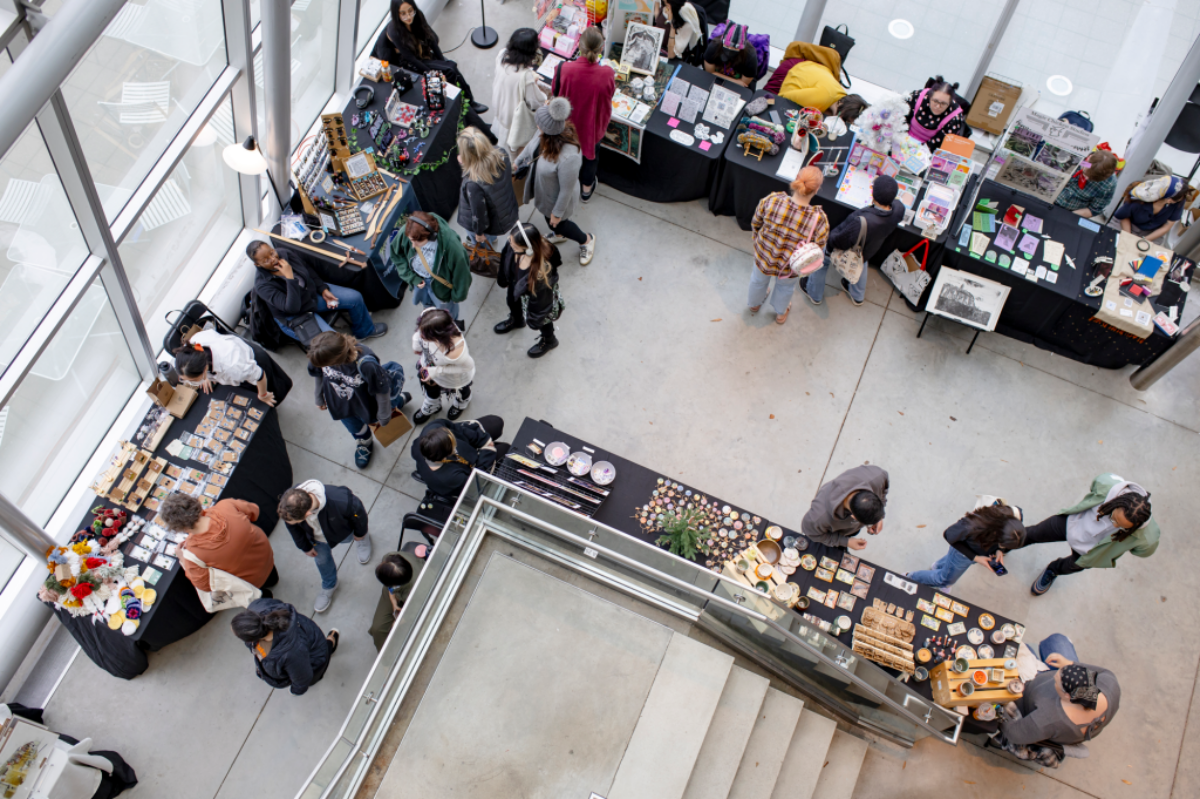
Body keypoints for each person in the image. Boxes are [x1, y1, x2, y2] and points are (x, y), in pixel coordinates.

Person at [1020, 474, 1157, 596]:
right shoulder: (1107, 485)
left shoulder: (1147, 538)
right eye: (1114, 519)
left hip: (1090, 552)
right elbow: (1096, 483)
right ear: (1115, 503)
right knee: (1031, 534)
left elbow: (1143, 551)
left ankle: (1052, 571)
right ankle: (1005, 544)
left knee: (1068, 567)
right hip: (1072, 523)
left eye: (1121, 527)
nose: (1115, 526)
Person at [249, 240, 387, 344]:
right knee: (333, 344)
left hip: (310, 297)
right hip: (297, 315)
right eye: (266, 260)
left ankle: (365, 331)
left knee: (354, 298)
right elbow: (292, 308)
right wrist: (289, 277)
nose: (273, 259)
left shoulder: (284, 253)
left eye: (272, 253)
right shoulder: (262, 285)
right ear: (257, 265)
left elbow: (307, 270)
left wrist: (322, 289)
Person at [307, 331, 410, 469]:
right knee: (354, 427)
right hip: (341, 403)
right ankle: (364, 443)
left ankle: (396, 402)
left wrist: (384, 414)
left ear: (337, 360)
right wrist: (318, 396)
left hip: (366, 403)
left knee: (378, 417)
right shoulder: (321, 355)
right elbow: (318, 373)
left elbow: (381, 388)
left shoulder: (366, 363)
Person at [514, 97, 597, 264]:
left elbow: (566, 189)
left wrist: (557, 213)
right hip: (545, 192)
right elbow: (532, 146)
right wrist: (518, 162)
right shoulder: (544, 132)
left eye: (539, 124)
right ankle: (558, 235)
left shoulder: (569, 156)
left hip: (557, 200)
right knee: (551, 222)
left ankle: (586, 240)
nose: (537, 127)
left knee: (559, 224)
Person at [998, 633, 1119, 748]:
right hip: (1044, 686)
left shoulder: (1049, 719)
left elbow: (1014, 734)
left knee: (1007, 651)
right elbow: (1103, 672)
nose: (1055, 674)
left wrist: (998, 709)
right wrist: (1068, 663)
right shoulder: (1110, 685)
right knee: (1056, 640)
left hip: (1026, 693)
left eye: (1056, 681)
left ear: (1067, 696)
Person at [800, 174, 903, 307]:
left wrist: (829, 244)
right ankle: (857, 295)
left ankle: (813, 293)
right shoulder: (898, 209)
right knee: (862, 262)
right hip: (869, 248)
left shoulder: (862, 222)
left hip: (851, 245)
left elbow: (841, 240)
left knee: (821, 262)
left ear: (874, 194)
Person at [371, 0, 487, 115]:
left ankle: (469, 102)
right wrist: (434, 73)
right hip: (404, 61)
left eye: (410, 11)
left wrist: (442, 61)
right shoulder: (394, 31)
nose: (408, 16)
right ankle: (467, 104)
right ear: (397, 14)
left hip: (417, 52)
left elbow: (430, 38)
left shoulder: (418, 15)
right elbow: (410, 58)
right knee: (448, 71)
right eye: (403, 13)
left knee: (450, 67)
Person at [749, 166, 829, 324]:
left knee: (758, 281)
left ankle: (754, 304)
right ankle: (780, 313)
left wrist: (758, 240)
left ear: (797, 178)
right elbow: (819, 246)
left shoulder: (773, 200)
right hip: (791, 266)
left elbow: (756, 222)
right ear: (817, 189)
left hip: (764, 255)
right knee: (785, 288)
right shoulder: (819, 220)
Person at [279, 481, 372, 614]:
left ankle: (363, 539)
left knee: (351, 537)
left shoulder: (341, 500)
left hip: (342, 531)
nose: (291, 524)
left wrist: (360, 533)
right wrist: (304, 546)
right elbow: (291, 525)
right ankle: (330, 584)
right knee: (321, 561)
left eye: (296, 522)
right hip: (317, 540)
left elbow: (358, 515)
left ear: (307, 515)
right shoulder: (289, 504)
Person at [159, 494, 278, 597]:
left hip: (248, 581)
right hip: (264, 553)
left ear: (180, 528)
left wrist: (183, 560)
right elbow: (254, 511)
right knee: (270, 573)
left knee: (258, 592)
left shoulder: (193, 553)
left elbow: (204, 585)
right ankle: (274, 579)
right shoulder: (225, 505)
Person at [552, 27, 615, 204]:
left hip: (566, 125)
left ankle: (563, 184)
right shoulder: (607, 74)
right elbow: (609, 94)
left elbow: (554, 93)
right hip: (592, 127)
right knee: (591, 156)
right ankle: (586, 189)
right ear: (601, 49)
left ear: (579, 46)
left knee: (564, 154)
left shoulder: (563, 68)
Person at [908, 500, 1026, 590]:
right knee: (945, 580)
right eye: (1001, 544)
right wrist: (976, 558)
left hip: (978, 551)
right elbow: (948, 535)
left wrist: (999, 550)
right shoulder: (971, 526)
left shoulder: (1016, 514)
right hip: (963, 553)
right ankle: (910, 577)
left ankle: (938, 567)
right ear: (997, 533)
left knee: (948, 564)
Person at [231, 598, 339, 696]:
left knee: (323, 655)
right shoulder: (257, 607)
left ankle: (331, 641)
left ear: (252, 638)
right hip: (308, 637)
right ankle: (330, 640)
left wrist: (295, 690)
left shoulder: (290, 653)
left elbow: (303, 678)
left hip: (314, 657)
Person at [388, 211, 472, 323]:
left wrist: (457, 296)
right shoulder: (409, 231)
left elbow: (462, 275)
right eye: (411, 240)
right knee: (427, 306)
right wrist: (412, 278)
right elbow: (396, 255)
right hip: (420, 282)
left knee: (447, 314)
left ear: (431, 235)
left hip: (442, 286)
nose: (413, 245)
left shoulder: (452, 246)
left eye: (417, 241)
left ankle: (451, 327)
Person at [494, 222, 564, 358]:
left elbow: (541, 305)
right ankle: (517, 320)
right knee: (512, 302)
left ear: (528, 248)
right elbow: (504, 259)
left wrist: (534, 320)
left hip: (535, 296)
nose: (509, 243)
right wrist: (503, 279)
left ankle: (549, 340)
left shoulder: (540, 273)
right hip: (516, 285)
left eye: (514, 244)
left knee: (544, 321)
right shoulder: (512, 245)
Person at [173, 329, 291, 406]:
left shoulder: (233, 366)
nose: (190, 382)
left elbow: (260, 375)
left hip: (253, 361)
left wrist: (263, 395)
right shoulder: (192, 347)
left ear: (204, 368)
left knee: (271, 391)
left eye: (193, 380)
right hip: (234, 350)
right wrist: (205, 377)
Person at [411, 417, 509, 502]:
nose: (456, 447)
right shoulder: (450, 478)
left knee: (496, 423)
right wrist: (488, 450)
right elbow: (478, 480)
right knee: (505, 449)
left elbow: (457, 428)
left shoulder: (433, 428)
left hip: (467, 456)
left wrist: (483, 440)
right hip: (471, 471)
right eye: (453, 447)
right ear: (444, 456)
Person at [457, 126, 520, 248]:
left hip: (484, 225)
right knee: (491, 235)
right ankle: (493, 239)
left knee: (484, 248)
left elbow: (478, 214)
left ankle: (489, 249)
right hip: (502, 212)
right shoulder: (502, 154)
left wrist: (479, 233)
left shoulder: (473, 183)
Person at [800, 464, 888, 550]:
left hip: (850, 528)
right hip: (835, 533)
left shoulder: (877, 476)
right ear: (854, 518)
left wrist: (878, 518)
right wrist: (845, 542)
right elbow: (812, 533)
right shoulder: (818, 517)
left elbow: (884, 487)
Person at [412, 308, 476, 423]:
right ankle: (433, 404)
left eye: (425, 335)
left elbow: (467, 366)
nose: (422, 336)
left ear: (438, 336)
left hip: (453, 376)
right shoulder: (431, 316)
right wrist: (416, 343)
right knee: (428, 385)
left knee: (461, 390)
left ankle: (461, 403)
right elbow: (418, 333)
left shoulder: (455, 350)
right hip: (429, 364)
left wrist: (436, 371)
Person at [490, 28, 546, 156]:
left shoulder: (502, 55)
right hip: (514, 119)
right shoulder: (525, 77)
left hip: (500, 107)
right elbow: (536, 102)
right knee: (512, 154)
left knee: (502, 143)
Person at [1112, 175, 1195, 243]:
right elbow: (1124, 216)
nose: (1183, 199)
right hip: (1127, 225)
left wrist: (1144, 240)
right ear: (1169, 200)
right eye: (1181, 198)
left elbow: (1167, 226)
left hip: (1152, 232)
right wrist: (1129, 237)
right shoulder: (1140, 197)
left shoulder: (1178, 202)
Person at [370, 551, 424, 651]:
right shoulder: (388, 560)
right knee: (378, 629)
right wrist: (393, 599)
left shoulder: (416, 591)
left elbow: (417, 610)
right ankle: (385, 662)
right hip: (397, 589)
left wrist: (401, 620)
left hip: (416, 601)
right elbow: (390, 588)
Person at [771, 43, 847, 113]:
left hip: (800, 72)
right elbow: (784, 96)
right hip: (783, 89)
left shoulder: (840, 92)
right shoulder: (824, 96)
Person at [905, 78, 967, 151]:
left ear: (950, 103)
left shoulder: (954, 118)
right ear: (930, 96)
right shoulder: (918, 96)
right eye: (935, 101)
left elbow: (940, 146)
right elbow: (901, 119)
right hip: (903, 138)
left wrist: (918, 152)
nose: (938, 106)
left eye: (943, 103)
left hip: (927, 151)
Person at [1054, 150, 1119, 219]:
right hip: (1051, 197)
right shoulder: (1077, 158)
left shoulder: (1109, 183)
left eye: (1092, 178)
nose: (1086, 178)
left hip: (1072, 213)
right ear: (1089, 158)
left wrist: (1067, 216)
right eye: (1085, 173)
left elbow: (1094, 209)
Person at [703, 23, 758, 89]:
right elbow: (709, 72)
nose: (729, 50)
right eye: (727, 45)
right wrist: (736, 81)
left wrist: (715, 74)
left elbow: (745, 83)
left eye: (735, 48)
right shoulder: (714, 46)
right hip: (725, 80)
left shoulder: (750, 55)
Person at [662, 0, 708, 65]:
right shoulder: (664, 7)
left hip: (671, 59)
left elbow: (671, 55)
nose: (666, 9)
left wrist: (672, 25)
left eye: (667, 6)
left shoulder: (685, 19)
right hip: (658, 49)